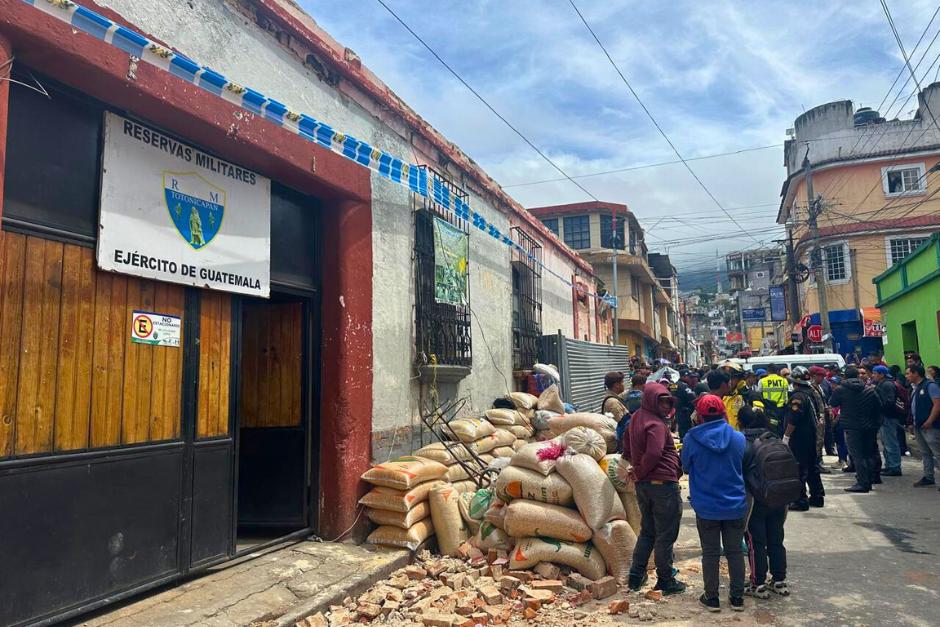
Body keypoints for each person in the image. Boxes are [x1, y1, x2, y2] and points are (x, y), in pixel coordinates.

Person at [682, 394, 747, 613]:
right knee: (735, 552)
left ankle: (712, 598)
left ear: (699, 415)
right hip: (735, 504)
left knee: (710, 553)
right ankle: (737, 598)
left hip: (706, 506)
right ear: (723, 412)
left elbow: (686, 467)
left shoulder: (691, 438)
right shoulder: (738, 437)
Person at [622, 382, 686, 595]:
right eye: (662, 402)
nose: (666, 407)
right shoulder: (656, 425)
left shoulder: (636, 419)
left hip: (644, 487)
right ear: (651, 401)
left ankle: (635, 576)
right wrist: (640, 469)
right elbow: (654, 453)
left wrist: (635, 467)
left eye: (668, 402)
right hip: (662, 485)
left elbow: (626, 444)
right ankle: (665, 579)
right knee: (665, 535)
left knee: (648, 532)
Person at [739, 405, 790, 600]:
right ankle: (779, 580)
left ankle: (757, 583)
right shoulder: (776, 440)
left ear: (743, 422)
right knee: (776, 539)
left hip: (756, 500)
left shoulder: (743, 443)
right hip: (779, 498)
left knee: (755, 542)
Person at [830, 366, 882, 493]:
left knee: (858, 455)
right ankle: (872, 478)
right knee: (869, 453)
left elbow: (833, 403)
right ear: (858, 376)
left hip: (852, 427)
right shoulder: (869, 389)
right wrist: (876, 424)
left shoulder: (841, 390)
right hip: (869, 426)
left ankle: (863, 483)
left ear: (845, 376)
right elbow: (879, 407)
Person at [783, 367, 825, 509]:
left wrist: (786, 437)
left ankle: (800, 500)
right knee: (813, 467)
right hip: (812, 436)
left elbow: (793, 419)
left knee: (799, 468)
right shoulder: (811, 393)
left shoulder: (797, 397)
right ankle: (817, 497)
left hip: (800, 438)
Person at [907, 364, 940, 488]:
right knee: (925, 452)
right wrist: (911, 423)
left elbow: (937, 404)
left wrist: (930, 420)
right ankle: (928, 476)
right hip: (919, 425)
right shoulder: (915, 388)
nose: (907, 376)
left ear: (916, 373)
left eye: (908, 373)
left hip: (930, 426)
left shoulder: (930, 386)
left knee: (937, 452)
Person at [871, 365, 901, 476]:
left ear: (881, 374)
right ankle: (889, 465)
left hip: (889, 417)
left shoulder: (887, 385)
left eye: (875, 373)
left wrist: (879, 406)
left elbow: (889, 402)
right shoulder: (882, 384)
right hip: (884, 417)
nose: (873, 375)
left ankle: (895, 467)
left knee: (891, 442)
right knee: (886, 442)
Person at [759, 364, 789, 437]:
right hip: (781, 410)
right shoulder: (784, 381)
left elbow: (759, 395)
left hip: (768, 409)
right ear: (777, 371)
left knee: (770, 430)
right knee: (780, 429)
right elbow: (786, 397)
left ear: (767, 371)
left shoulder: (762, 381)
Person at [672, 370, 698, 439]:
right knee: (687, 432)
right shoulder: (684, 386)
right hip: (685, 412)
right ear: (683, 377)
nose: (691, 379)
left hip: (677, 411)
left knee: (682, 431)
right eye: (689, 377)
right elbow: (693, 398)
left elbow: (672, 394)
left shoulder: (674, 384)